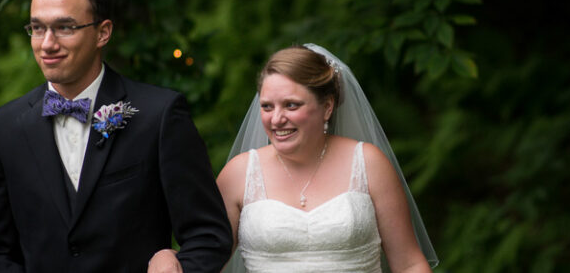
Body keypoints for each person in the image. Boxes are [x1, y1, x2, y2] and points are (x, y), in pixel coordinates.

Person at [0, 0, 232, 272]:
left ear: (103, 32)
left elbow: (208, 236)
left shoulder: (159, 116)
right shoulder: (3, 128)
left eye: (65, 27)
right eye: (38, 27)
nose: (47, 43)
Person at [149, 44, 439, 272]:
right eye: (266, 106)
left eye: (291, 105)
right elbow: (207, 257)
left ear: (327, 107)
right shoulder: (240, 173)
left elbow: (409, 264)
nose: (276, 119)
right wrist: (164, 255)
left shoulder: (369, 163)